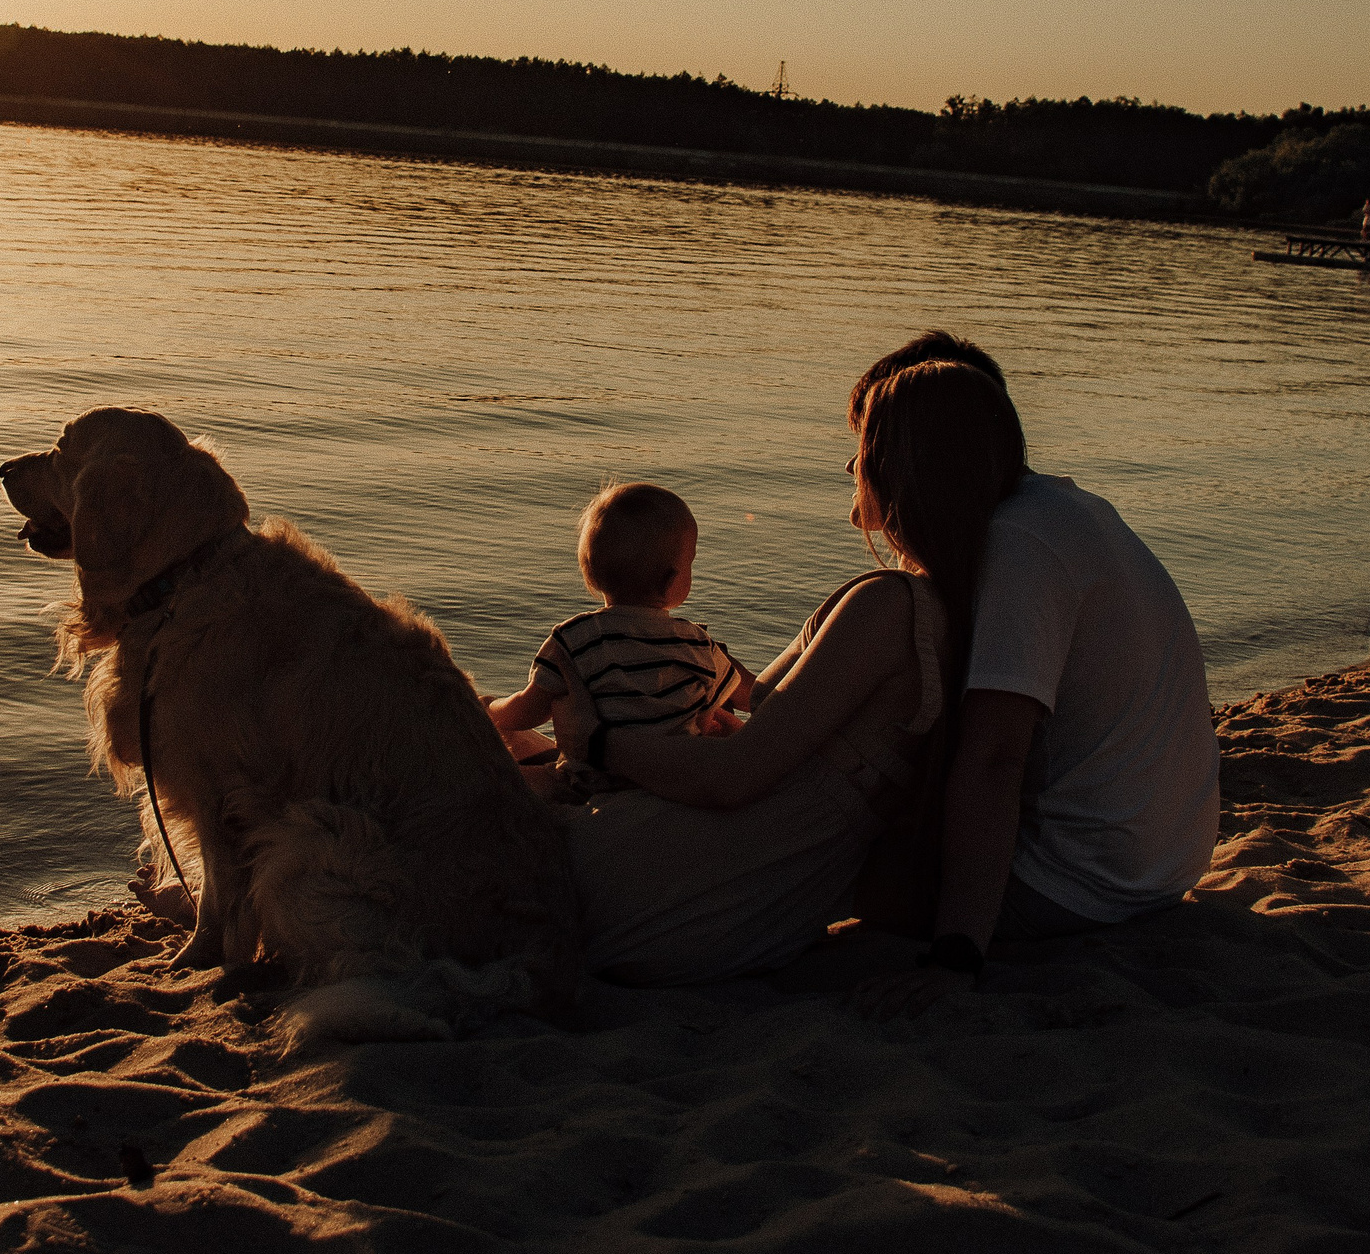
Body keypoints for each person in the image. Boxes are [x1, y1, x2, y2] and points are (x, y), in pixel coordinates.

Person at [551, 362, 1011, 984]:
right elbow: (769, 745)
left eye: (862, 448)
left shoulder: (890, 606)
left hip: (699, 883)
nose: (851, 469)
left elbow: (733, 780)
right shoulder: (956, 610)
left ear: (905, 468)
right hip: (759, 905)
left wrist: (595, 741)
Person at [851, 332, 1220, 1016]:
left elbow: (995, 758)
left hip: (1085, 879)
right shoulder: (1063, 512)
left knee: (819, 863)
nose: (859, 469)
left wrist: (957, 956)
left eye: (870, 450)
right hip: (1161, 861)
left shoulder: (1020, 547)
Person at [484, 484, 753, 799]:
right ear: (671, 580)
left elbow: (527, 712)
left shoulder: (573, 640)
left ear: (592, 573)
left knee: (492, 777)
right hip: (669, 787)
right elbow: (754, 697)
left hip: (586, 787)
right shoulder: (698, 645)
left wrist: (489, 710)